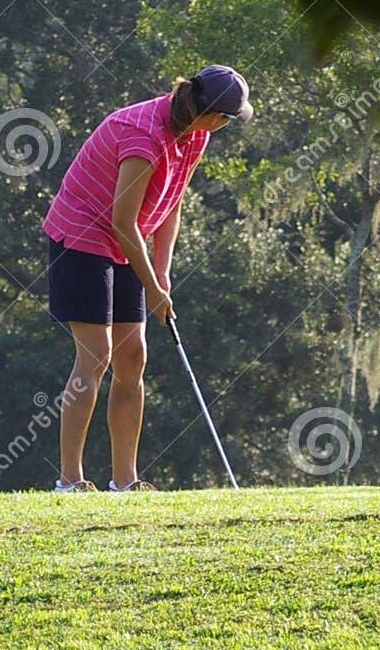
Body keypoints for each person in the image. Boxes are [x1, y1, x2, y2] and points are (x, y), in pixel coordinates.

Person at [42, 66, 251, 492]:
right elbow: (121, 220)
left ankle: (125, 482)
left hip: (125, 240)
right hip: (83, 235)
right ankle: (69, 480)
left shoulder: (196, 136)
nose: (227, 126)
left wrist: (162, 272)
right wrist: (151, 290)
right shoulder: (143, 138)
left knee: (132, 357)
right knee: (96, 355)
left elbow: (170, 204)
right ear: (212, 113)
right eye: (229, 118)